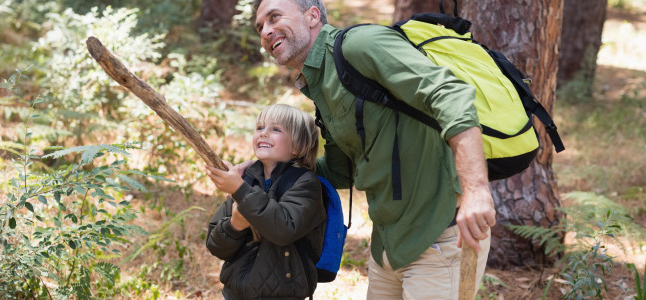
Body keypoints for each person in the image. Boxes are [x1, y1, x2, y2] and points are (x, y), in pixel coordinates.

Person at [252, 0, 495, 298]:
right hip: (387, 246)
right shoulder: (320, 82)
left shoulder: (360, 45)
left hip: (440, 238)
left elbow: (450, 94)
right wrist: (267, 171)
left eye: (274, 17)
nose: (266, 31)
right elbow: (342, 172)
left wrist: (477, 189)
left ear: (312, 16)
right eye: (260, 26)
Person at [205, 103, 326, 299]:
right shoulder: (246, 179)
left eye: (275, 129)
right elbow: (215, 246)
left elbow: (284, 230)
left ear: (298, 146)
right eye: (260, 128)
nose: (263, 133)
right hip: (234, 294)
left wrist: (239, 190)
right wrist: (235, 224)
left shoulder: (305, 184)